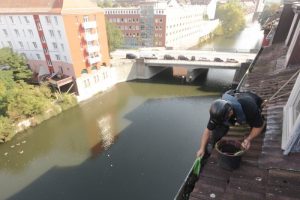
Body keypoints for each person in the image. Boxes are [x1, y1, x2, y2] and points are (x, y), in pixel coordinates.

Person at [196, 90, 265, 159]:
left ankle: (258, 117)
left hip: (252, 101)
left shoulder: (248, 106)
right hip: (234, 96)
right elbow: (207, 130)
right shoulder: (217, 110)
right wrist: (202, 148)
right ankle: (211, 147)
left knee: (259, 126)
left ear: (230, 112)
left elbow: (259, 126)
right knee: (217, 132)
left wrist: (248, 139)